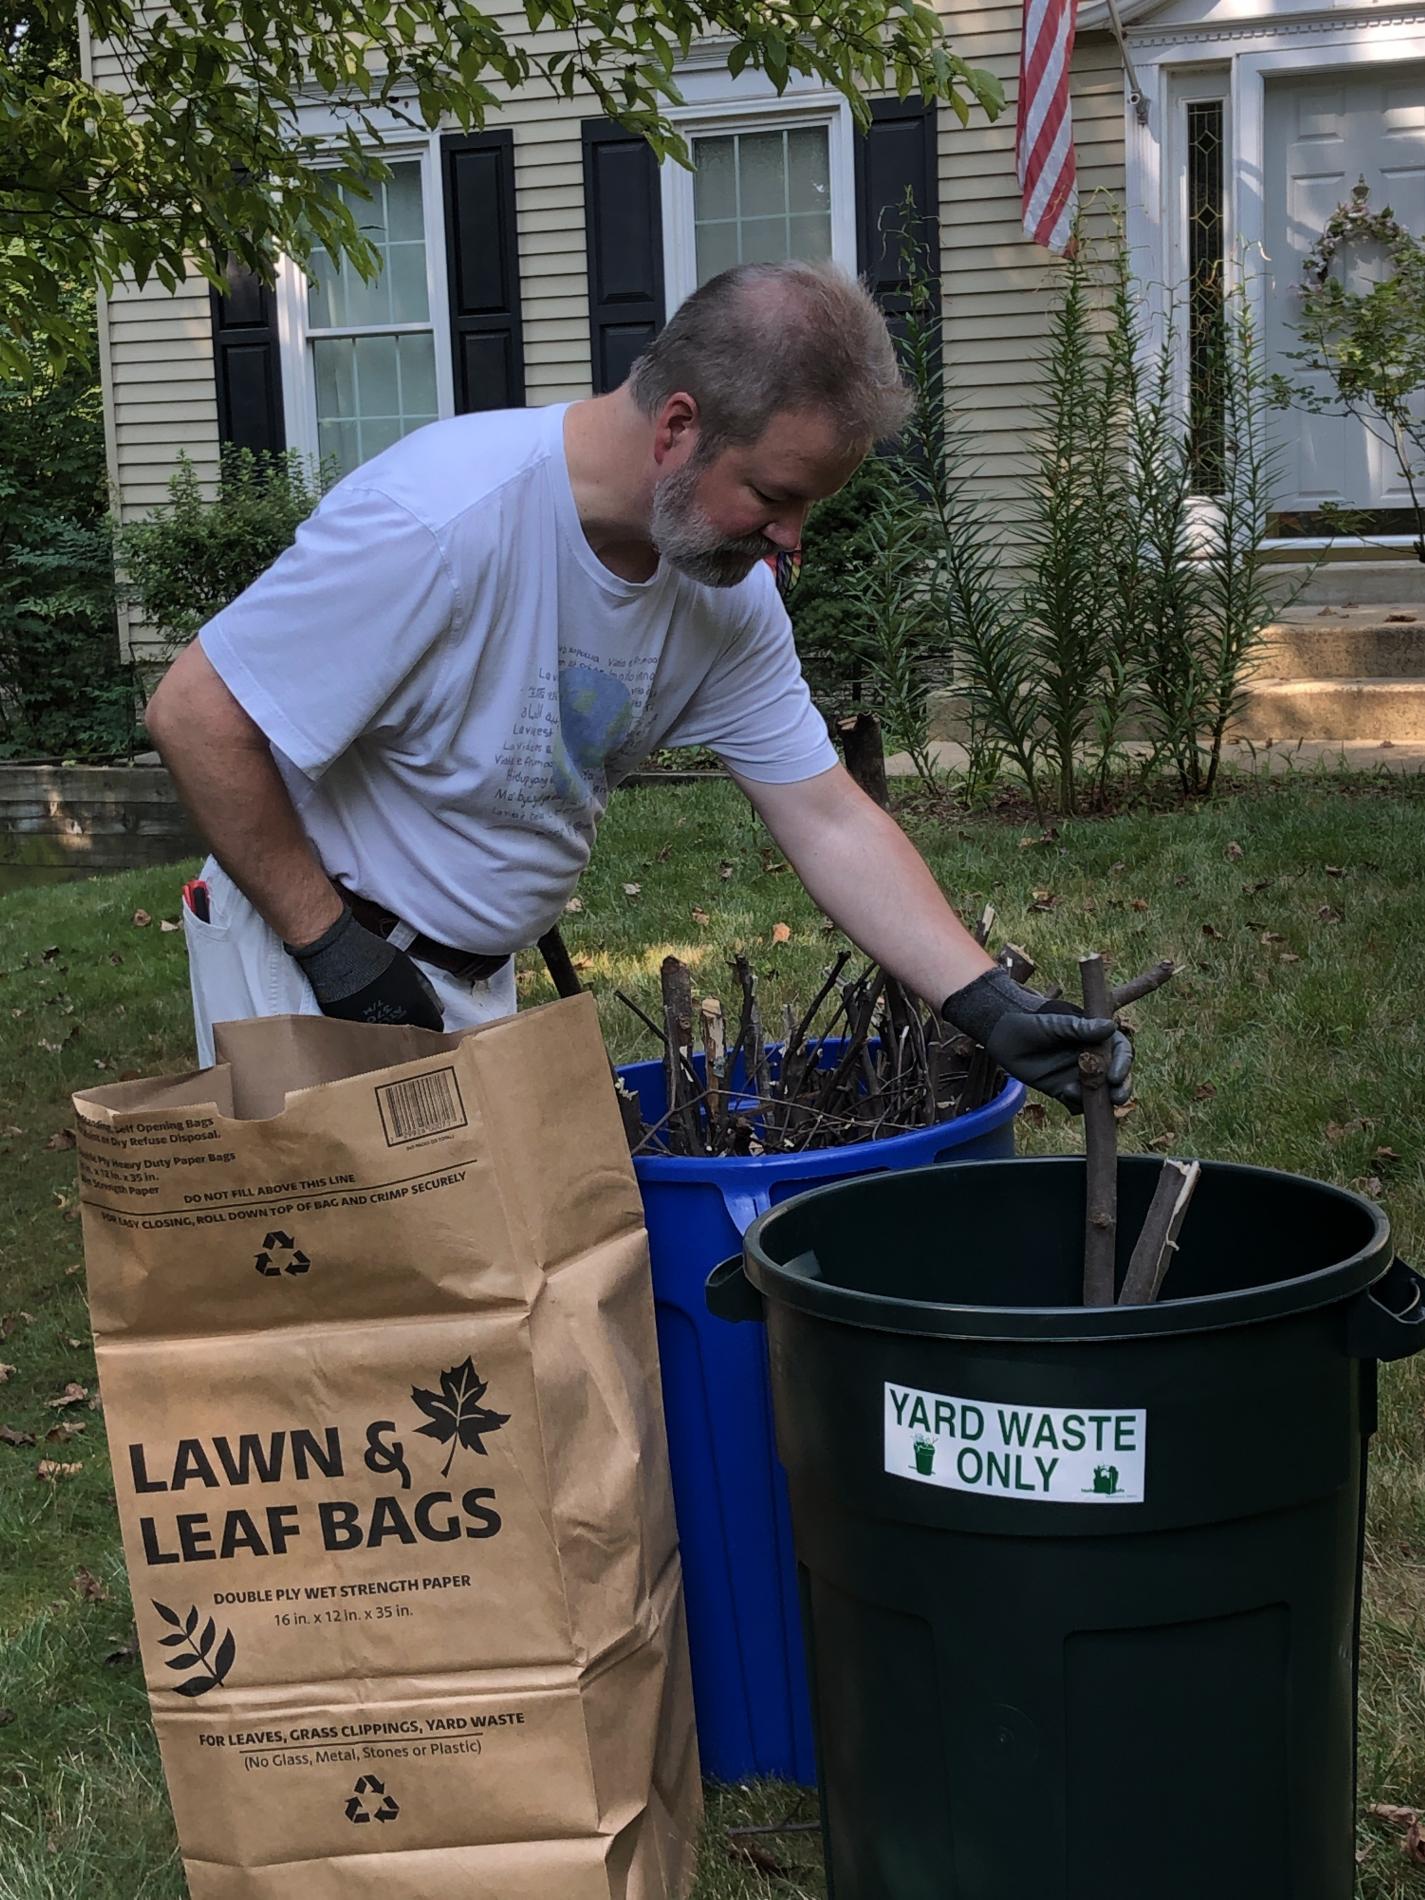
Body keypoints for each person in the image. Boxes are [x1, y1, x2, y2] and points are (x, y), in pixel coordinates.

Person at [145, 260, 1130, 1110]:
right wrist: (334, 951)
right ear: (677, 429)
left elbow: (828, 816)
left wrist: (986, 1000)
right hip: (303, 955)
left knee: (463, 1306)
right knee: (336, 1308)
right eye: (777, 497)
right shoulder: (442, 519)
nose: (793, 540)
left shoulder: (725, 599)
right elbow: (195, 713)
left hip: (460, 976)